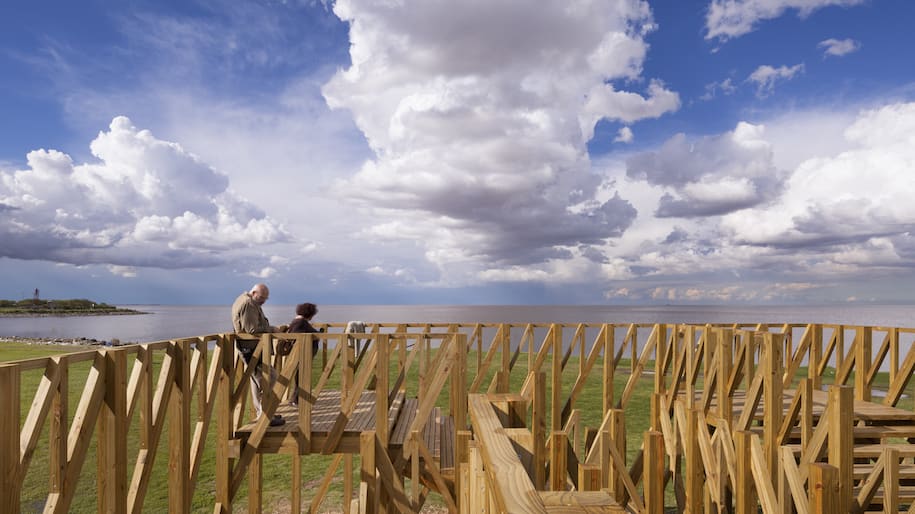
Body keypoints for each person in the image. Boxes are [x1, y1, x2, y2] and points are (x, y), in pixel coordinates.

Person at [231, 283, 285, 426]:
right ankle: (264, 415)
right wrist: (271, 328)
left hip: (253, 348)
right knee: (270, 377)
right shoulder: (248, 304)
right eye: (262, 298)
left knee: (257, 381)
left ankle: (263, 413)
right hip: (250, 349)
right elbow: (252, 329)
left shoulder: (249, 301)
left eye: (265, 299)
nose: (263, 301)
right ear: (254, 292)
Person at [284, 302, 322, 406]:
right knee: (301, 376)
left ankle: (297, 399)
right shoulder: (301, 323)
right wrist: (318, 334)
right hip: (303, 353)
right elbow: (301, 335)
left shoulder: (297, 322)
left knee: (300, 376)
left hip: (302, 353)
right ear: (309, 313)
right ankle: (295, 400)